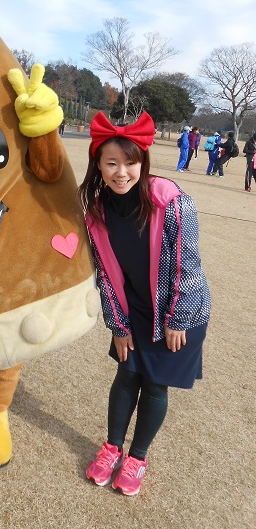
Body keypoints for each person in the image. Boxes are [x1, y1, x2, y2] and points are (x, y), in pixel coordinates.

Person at [79, 111, 210, 496]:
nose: (122, 172)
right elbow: (105, 275)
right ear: (98, 166)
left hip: (178, 314)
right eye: (111, 163)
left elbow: (188, 266)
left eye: (130, 162)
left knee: (154, 386)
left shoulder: (172, 202)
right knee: (126, 376)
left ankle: (136, 458)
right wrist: (118, 326)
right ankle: (111, 449)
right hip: (132, 311)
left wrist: (178, 319)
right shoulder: (96, 212)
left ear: (143, 162)